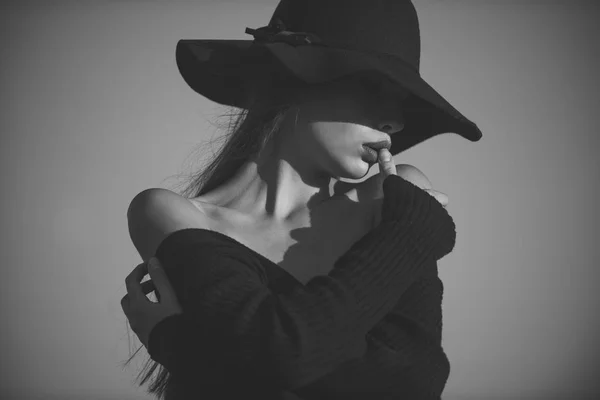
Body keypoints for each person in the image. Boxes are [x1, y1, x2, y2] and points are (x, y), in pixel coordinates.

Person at [121, 0, 482, 399]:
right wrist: (410, 236)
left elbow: (413, 384)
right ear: (297, 74)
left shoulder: (390, 200)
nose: (394, 121)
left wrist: (182, 348)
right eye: (376, 87)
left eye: (403, 103)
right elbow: (285, 354)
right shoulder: (170, 214)